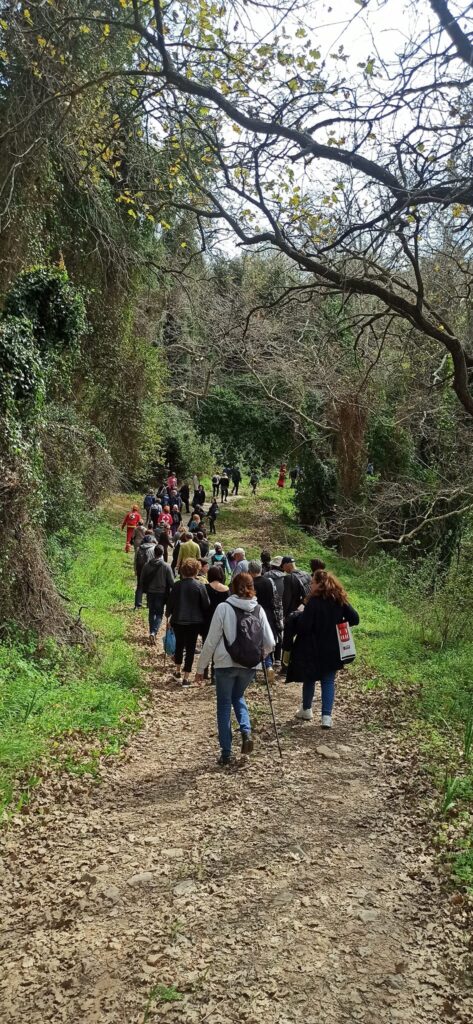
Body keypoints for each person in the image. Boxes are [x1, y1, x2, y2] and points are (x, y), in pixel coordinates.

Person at [195, 572, 274, 765]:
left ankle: (226, 753)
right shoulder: (259, 609)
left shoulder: (223, 607)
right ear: (251, 588)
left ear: (232, 587)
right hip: (249, 665)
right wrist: (258, 657)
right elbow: (270, 642)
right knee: (238, 696)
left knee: (223, 705)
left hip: (225, 664)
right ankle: (246, 732)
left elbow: (211, 639)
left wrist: (201, 668)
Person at [285, 569, 359, 728]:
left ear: (320, 584)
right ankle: (327, 717)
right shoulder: (339, 599)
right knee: (328, 681)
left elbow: (304, 627)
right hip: (333, 647)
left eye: (312, 582)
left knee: (310, 678)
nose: (310, 585)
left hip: (312, 647)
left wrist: (297, 618)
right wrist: (339, 624)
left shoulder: (313, 602)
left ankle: (306, 709)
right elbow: (355, 618)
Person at [167, 558, 210, 684]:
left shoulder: (177, 585)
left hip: (178, 619)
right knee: (191, 648)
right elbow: (206, 604)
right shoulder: (200, 585)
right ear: (196, 571)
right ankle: (186, 677)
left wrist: (168, 613)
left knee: (179, 645)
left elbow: (170, 602)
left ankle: (177, 670)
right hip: (195, 621)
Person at [248, 560, 282, 683]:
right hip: (268, 613)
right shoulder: (269, 581)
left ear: (250, 571)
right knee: (266, 641)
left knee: (253, 642)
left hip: (254, 613)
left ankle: (252, 674)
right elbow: (276, 599)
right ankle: (269, 666)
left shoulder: (250, 584)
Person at [140, 544, 175, 644]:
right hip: (161, 593)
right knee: (159, 613)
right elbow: (172, 582)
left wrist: (143, 590)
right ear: (162, 553)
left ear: (154, 552)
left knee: (151, 612)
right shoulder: (166, 566)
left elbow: (142, 579)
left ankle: (152, 631)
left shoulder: (147, 565)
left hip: (150, 592)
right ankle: (154, 632)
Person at [201, 565, 230, 680]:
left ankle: (204, 671)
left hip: (206, 620)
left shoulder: (204, 588)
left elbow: (202, 605)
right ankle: (214, 673)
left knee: (206, 644)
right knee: (218, 646)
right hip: (221, 620)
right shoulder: (227, 589)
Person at [264, 556, 285, 665]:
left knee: (268, 631)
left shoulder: (266, 576)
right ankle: (278, 657)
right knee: (280, 630)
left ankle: (269, 658)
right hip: (280, 608)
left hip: (268, 608)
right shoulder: (285, 578)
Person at [281, 555, 312, 620]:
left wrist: (284, 615)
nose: (283, 569)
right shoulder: (306, 574)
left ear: (287, 564)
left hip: (295, 613)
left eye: (282, 566)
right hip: (308, 608)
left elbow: (287, 599)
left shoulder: (289, 578)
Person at [134, 528, 157, 609]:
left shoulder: (139, 548)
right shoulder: (154, 548)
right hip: (151, 570)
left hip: (140, 569)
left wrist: (135, 570)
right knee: (150, 586)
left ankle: (138, 604)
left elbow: (135, 560)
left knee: (139, 586)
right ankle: (148, 603)